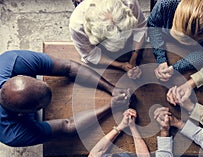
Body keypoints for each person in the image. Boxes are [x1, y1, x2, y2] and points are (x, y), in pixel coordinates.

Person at [0, 50, 131, 147]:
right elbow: (67, 126)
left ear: (20, 75)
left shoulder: (11, 61)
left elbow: (69, 67)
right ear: (22, 114)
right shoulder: (11, 133)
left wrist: (112, 89)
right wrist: (111, 106)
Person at [147, 0, 203, 81]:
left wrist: (176, 68)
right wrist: (161, 59)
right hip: (166, 41)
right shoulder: (166, 3)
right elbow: (153, 26)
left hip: (195, 52)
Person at [69, 0, 146, 79]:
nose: (122, 47)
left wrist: (133, 58)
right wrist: (121, 65)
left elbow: (140, 28)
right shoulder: (77, 25)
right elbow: (90, 54)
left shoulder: (130, 2)